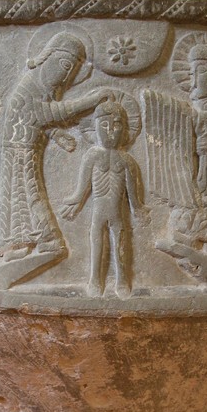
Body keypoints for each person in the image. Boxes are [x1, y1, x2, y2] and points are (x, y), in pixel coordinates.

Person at [0, 32, 110, 262]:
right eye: (64, 66)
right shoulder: (25, 89)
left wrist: (56, 134)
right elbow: (43, 113)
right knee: (25, 194)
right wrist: (90, 100)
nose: (66, 76)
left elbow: (39, 118)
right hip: (19, 152)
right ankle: (37, 240)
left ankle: (30, 241)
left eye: (72, 72)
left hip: (28, 149)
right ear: (47, 58)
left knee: (27, 194)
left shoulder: (38, 90)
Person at [61, 98, 148, 297]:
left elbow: (132, 193)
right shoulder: (91, 157)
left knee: (120, 245)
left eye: (117, 125)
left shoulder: (127, 160)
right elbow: (82, 189)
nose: (110, 131)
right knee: (97, 244)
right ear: (95, 128)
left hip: (118, 214)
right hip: (98, 213)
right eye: (104, 125)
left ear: (125, 130)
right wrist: (74, 203)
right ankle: (94, 280)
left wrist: (138, 209)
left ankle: (122, 281)